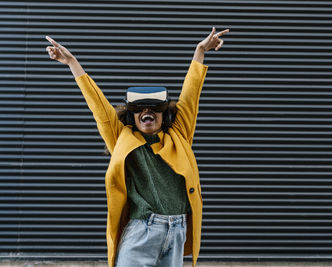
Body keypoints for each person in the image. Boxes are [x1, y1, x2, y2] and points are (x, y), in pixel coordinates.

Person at [45, 27, 229, 267]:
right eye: (141, 110)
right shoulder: (122, 138)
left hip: (176, 231)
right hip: (143, 229)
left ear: (165, 115)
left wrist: (200, 51)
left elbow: (191, 95)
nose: (147, 113)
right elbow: (99, 107)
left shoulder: (179, 135)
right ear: (132, 116)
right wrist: (72, 63)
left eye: (154, 109)